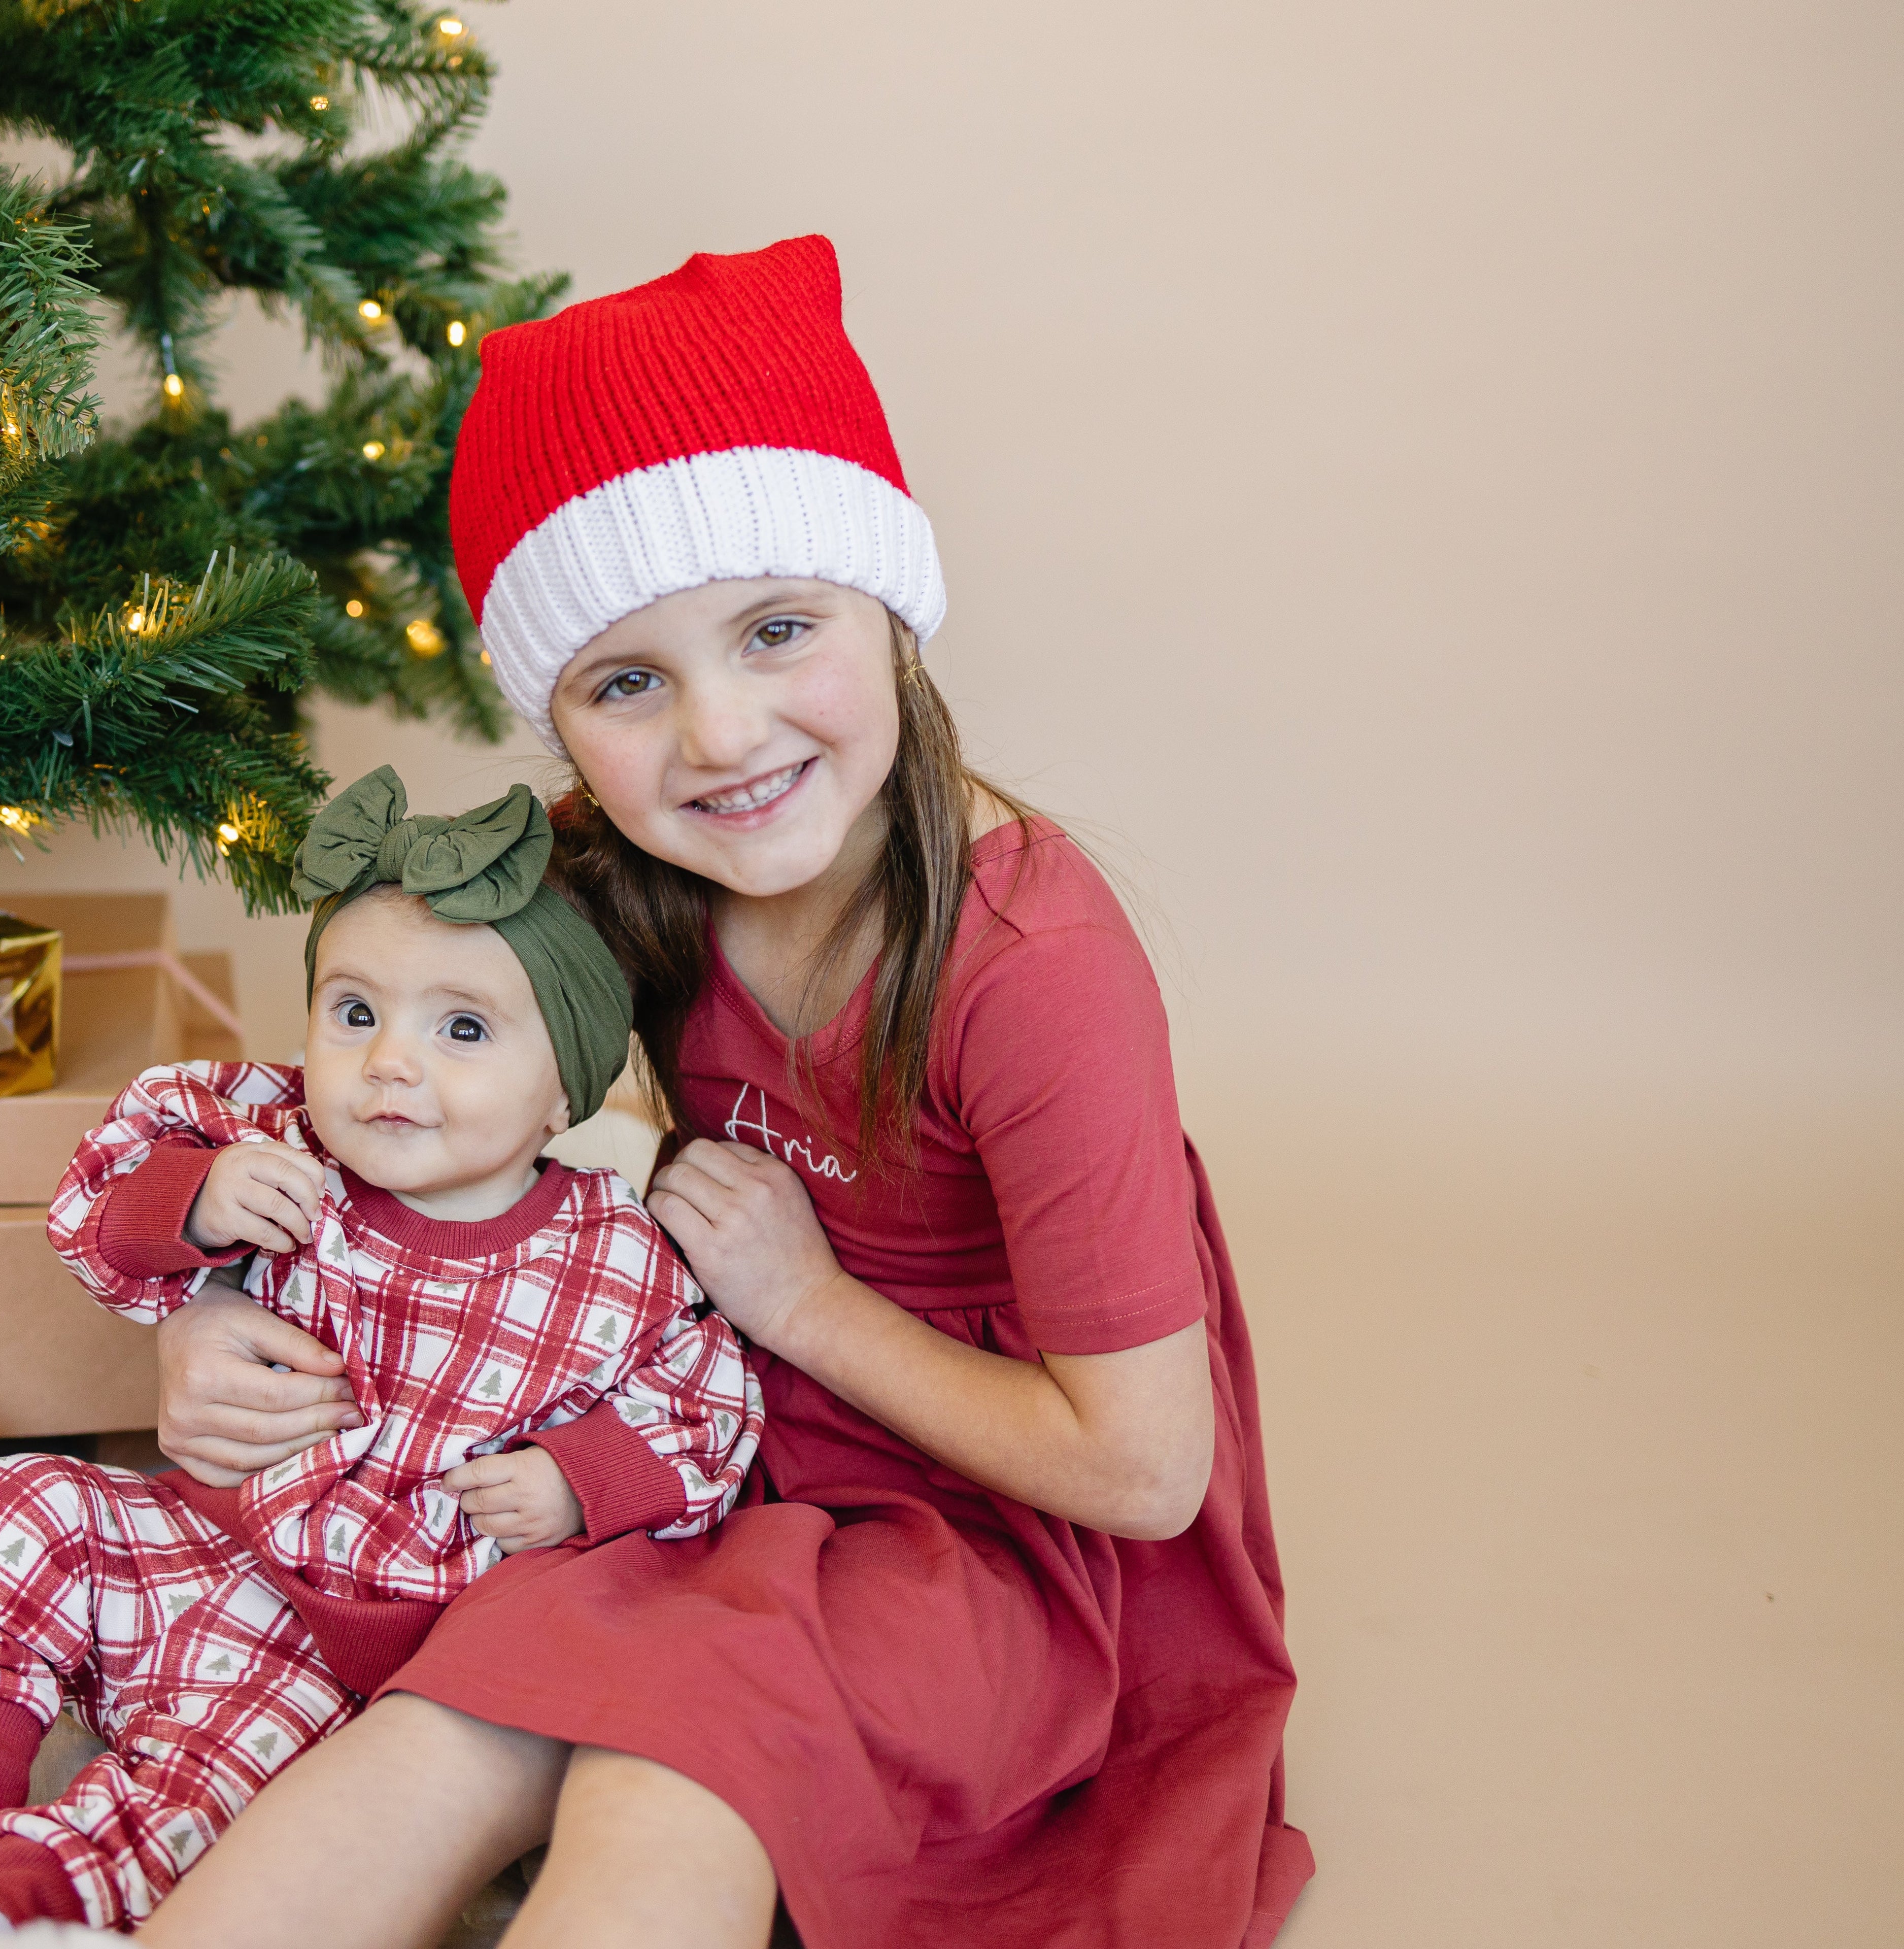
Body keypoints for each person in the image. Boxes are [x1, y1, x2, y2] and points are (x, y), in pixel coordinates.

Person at [127, 236, 1313, 1948]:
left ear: (888, 615)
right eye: (628, 682)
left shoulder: (1029, 964)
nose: (723, 736)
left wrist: (806, 1306)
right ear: (565, 722)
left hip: (983, 1533)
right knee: (459, 1713)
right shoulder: (628, 875)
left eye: (776, 632)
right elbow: (377, 1081)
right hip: (678, 1439)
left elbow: (1143, 1474)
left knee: (666, 1764)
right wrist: (211, 1292)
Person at [0, 771, 760, 1943]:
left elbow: (708, 1407)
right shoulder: (278, 1134)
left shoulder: (610, 1258)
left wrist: (576, 1480)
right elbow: (98, 1185)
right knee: (17, 1500)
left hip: (351, 1631)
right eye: (356, 1012)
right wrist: (195, 1200)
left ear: (565, 1088)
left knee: (210, 1768)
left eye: (461, 1029)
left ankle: (18, 1903)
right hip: (195, 1536)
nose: (390, 1063)